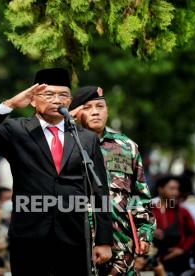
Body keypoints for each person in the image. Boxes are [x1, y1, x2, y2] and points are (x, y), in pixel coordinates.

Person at [0, 68, 112, 276]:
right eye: (49, 94)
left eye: (63, 95)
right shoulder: (16, 131)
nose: (56, 100)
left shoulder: (85, 138)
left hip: (74, 234)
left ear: (70, 101)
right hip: (29, 233)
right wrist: (9, 105)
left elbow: (100, 191)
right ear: (33, 100)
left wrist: (104, 241)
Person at [69, 85, 156, 275]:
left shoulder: (126, 146)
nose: (95, 112)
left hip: (121, 240)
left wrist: (145, 232)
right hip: (77, 237)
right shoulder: (66, 144)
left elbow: (140, 194)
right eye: (87, 107)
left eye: (100, 107)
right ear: (74, 113)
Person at [152, 176, 195, 275]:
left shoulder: (182, 211)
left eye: (177, 189)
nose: (176, 192)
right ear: (160, 189)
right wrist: (150, 231)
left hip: (178, 265)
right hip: (154, 264)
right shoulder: (150, 210)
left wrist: (182, 249)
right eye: (172, 188)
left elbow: (193, 234)